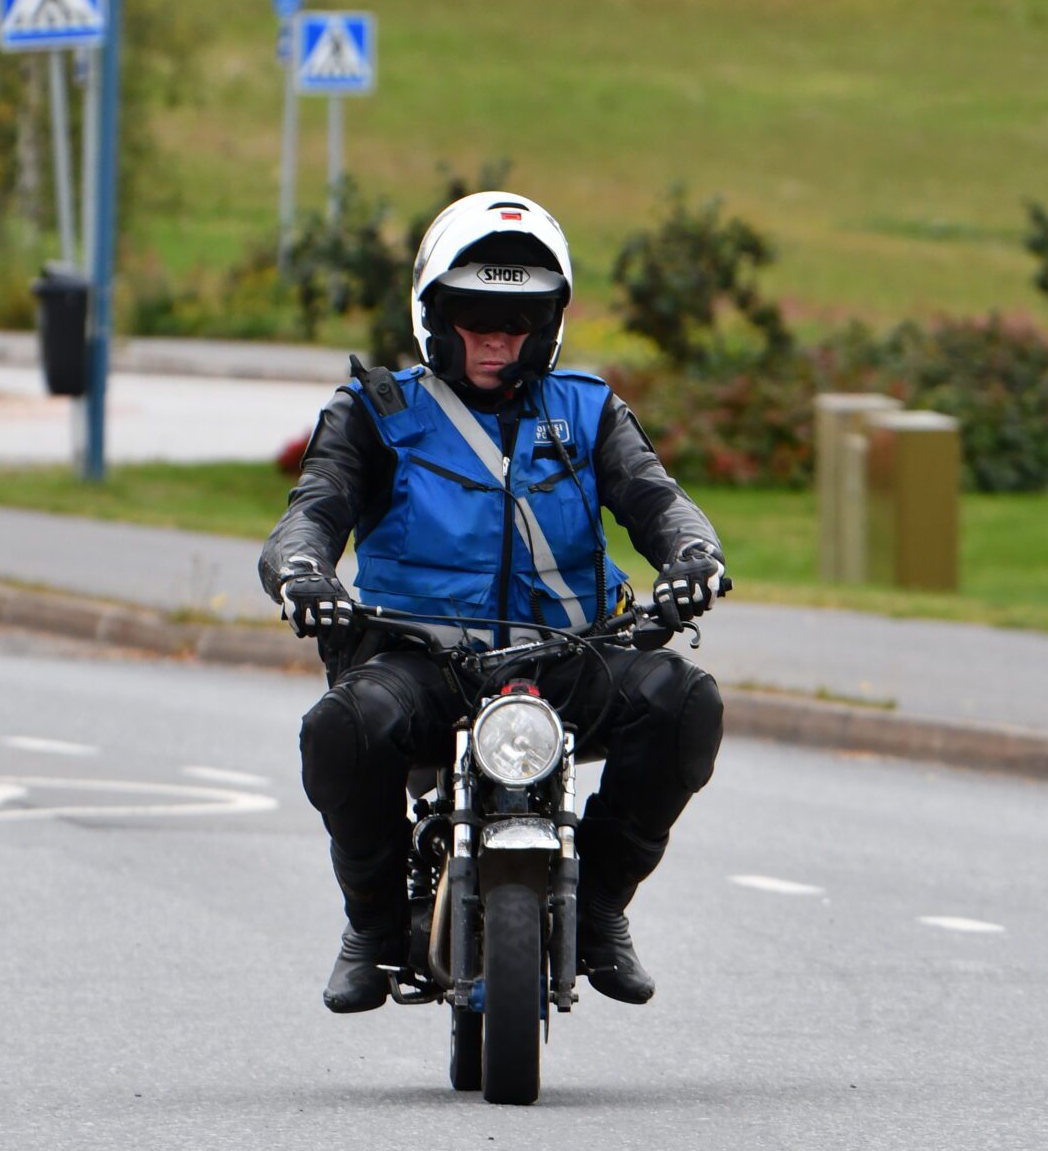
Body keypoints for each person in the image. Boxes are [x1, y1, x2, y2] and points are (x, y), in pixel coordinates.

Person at [259, 190, 727, 1015]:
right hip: (423, 665)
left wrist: (693, 557)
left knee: (685, 702)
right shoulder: (374, 413)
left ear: (548, 325)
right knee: (340, 727)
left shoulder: (588, 410)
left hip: (567, 658)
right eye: (472, 316)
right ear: (432, 315)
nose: (494, 339)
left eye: (517, 320)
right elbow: (312, 511)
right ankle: (371, 926)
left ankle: (602, 909)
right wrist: (304, 575)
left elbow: (657, 499)